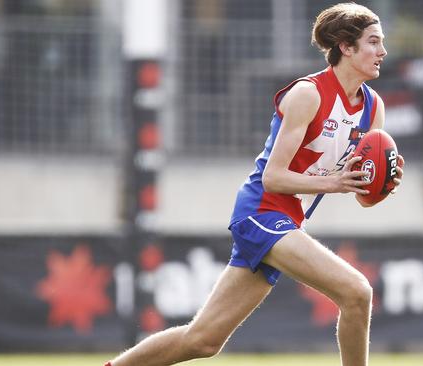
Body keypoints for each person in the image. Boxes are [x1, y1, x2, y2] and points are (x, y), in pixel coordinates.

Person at [106, 3, 403, 366]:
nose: (383, 52)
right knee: (356, 292)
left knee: (203, 340)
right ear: (345, 47)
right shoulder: (309, 95)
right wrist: (335, 182)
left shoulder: (374, 110)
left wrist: (380, 185)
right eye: (373, 42)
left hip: (287, 222)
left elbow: (361, 196)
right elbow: (273, 178)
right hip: (262, 212)